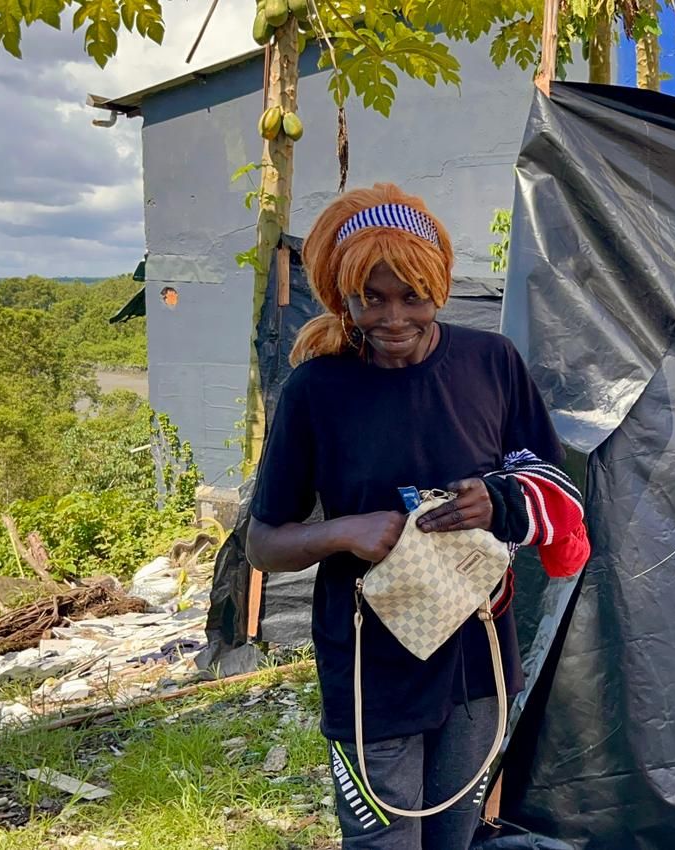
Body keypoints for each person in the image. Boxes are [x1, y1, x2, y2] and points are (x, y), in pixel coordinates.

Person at [246, 183, 587, 850]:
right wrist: (344, 531)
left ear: (439, 286)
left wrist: (502, 498)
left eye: (413, 297)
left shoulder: (491, 364)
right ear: (342, 294)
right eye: (371, 298)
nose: (394, 317)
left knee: (455, 839)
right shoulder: (317, 391)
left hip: (476, 660)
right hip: (371, 669)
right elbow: (262, 543)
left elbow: (556, 485)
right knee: (384, 842)